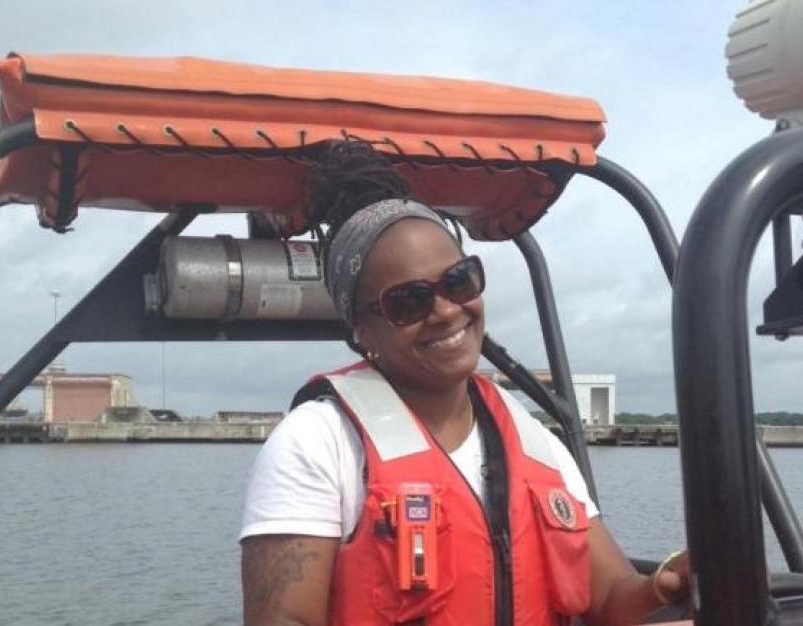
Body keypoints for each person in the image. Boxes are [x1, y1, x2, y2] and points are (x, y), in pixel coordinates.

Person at [240, 141, 689, 626]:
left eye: (459, 281)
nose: (447, 311)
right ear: (362, 329)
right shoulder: (316, 444)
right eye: (409, 302)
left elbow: (610, 599)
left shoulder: (540, 446)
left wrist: (666, 583)